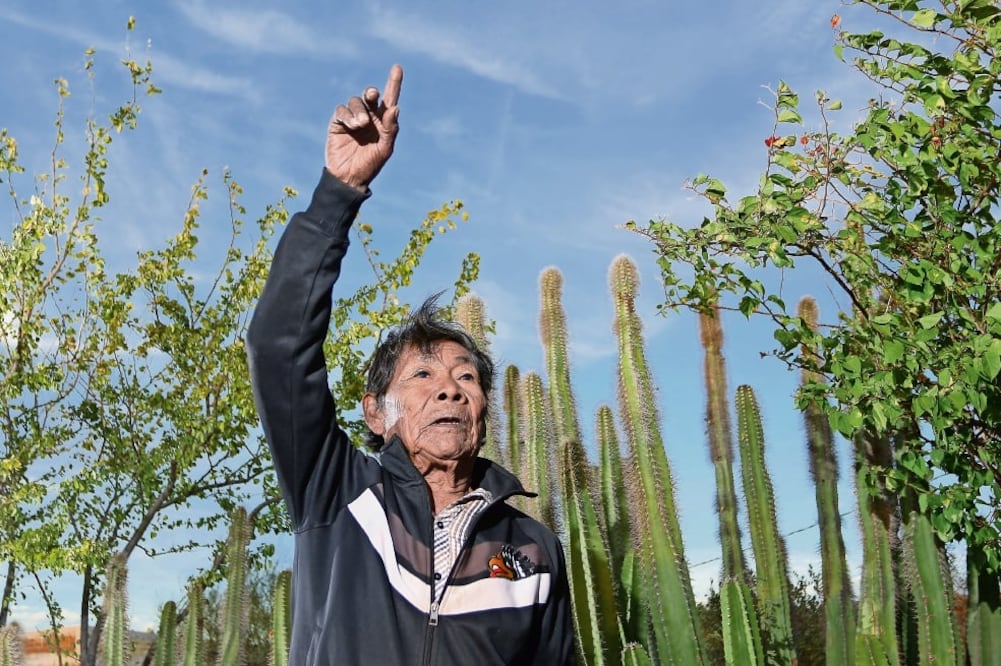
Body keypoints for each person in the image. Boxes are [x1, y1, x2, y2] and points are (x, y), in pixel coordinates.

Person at [246, 64, 576, 665]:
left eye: (466, 377)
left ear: (484, 410)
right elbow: (278, 346)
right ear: (376, 413)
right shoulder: (339, 492)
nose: (449, 390)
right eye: (422, 376)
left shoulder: (534, 550)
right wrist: (336, 196)